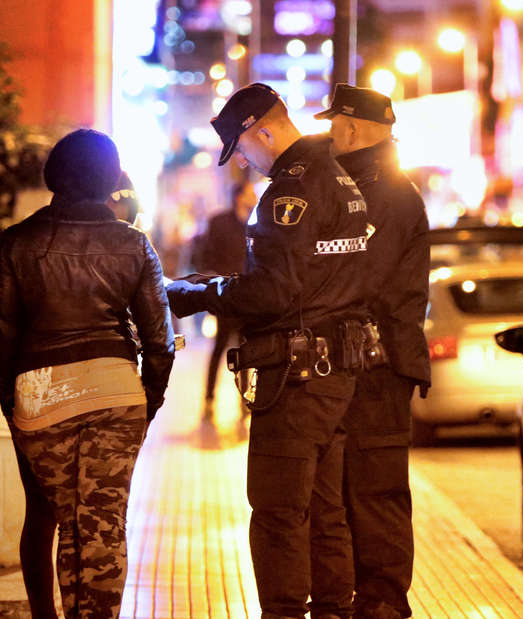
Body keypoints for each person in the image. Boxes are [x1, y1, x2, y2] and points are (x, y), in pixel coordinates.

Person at [165, 82, 370, 619]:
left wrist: (202, 291)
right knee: (327, 512)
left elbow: (274, 291)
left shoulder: (289, 192)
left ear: (265, 130)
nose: (247, 163)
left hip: (297, 379)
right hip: (338, 372)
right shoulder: (342, 180)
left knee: (280, 512)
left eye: (245, 149)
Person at [0, 128, 175, 619]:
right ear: (110, 177)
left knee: (61, 518)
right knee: (102, 524)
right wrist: (146, 402)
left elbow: (3, 338)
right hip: (115, 393)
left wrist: (14, 404)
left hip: (40, 396)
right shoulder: (134, 245)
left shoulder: (17, 242)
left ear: (54, 176)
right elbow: (160, 342)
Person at [316, 84, 431, 619]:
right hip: (366, 361)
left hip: (378, 366)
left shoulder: (383, 192)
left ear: (353, 128)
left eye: (333, 124)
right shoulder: (369, 184)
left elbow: (360, 277)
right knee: (354, 487)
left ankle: (383, 603)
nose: (329, 135)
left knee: (374, 490)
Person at [191, 178, 257, 425]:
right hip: (225, 295)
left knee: (245, 351)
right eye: (250, 192)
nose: (254, 196)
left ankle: (243, 401)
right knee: (219, 347)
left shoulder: (254, 222)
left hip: (247, 296)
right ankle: (209, 398)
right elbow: (205, 255)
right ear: (240, 196)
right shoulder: (220, 222)